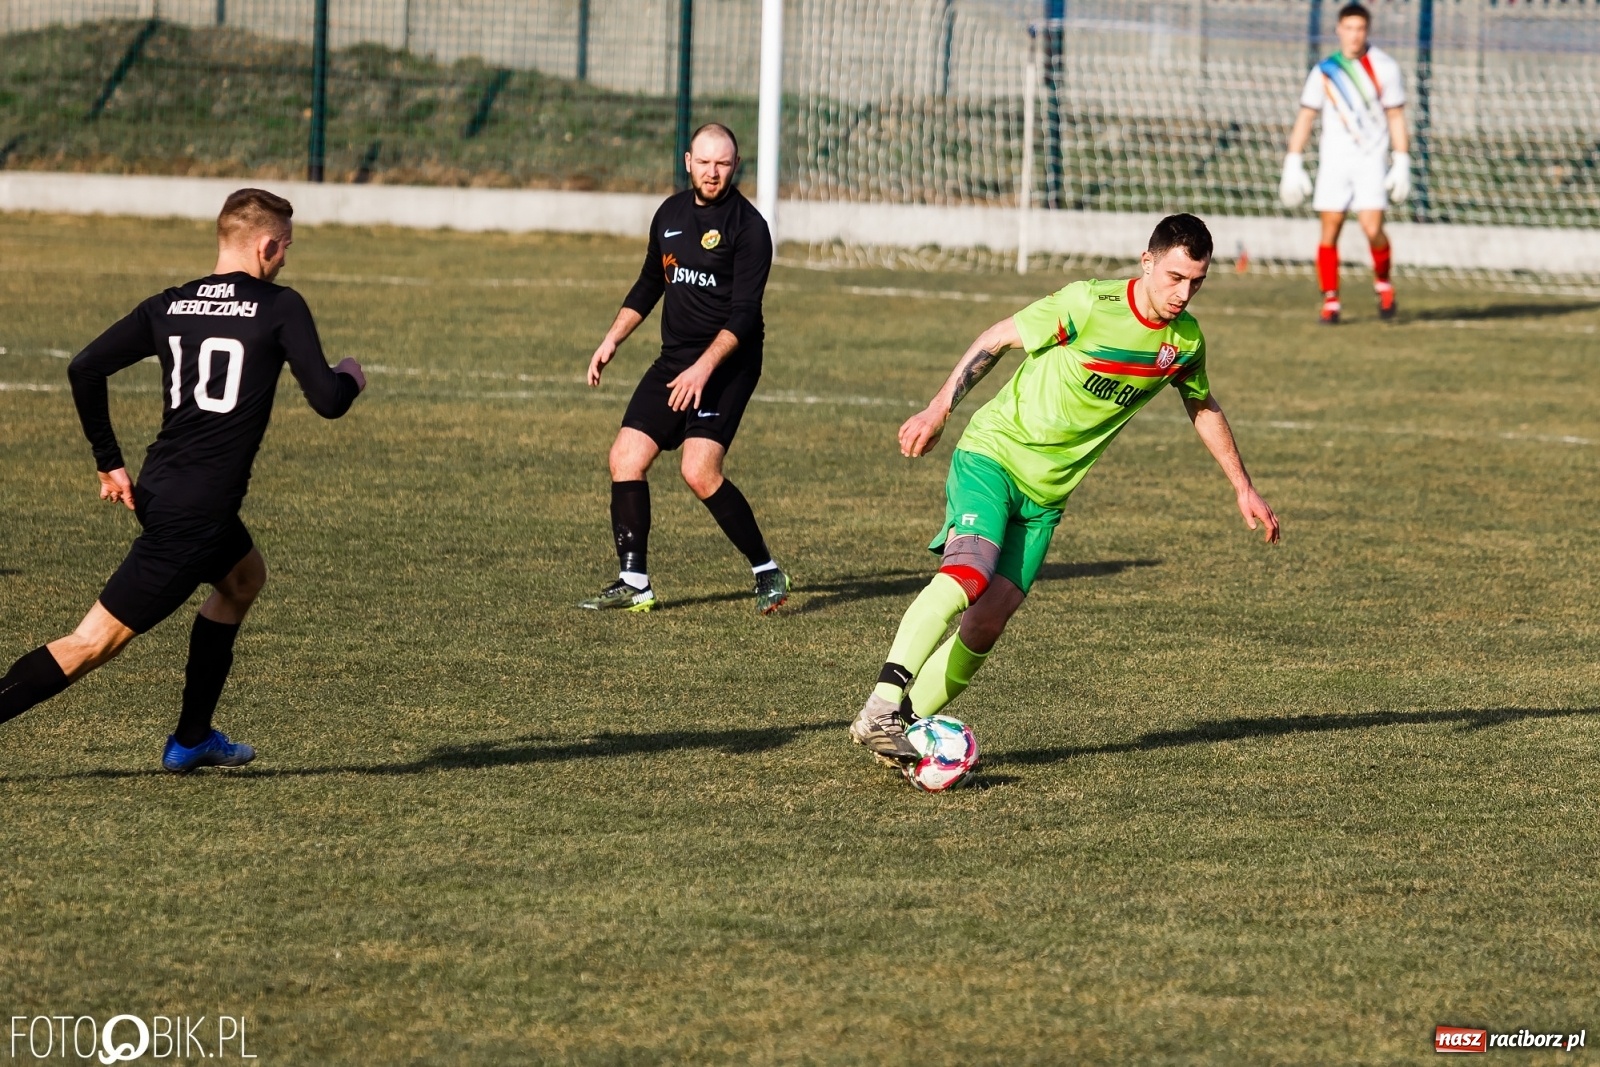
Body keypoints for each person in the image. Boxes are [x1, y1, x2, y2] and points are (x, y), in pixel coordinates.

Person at [849, 214, 1280, 768]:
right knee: (969, 574)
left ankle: (904, 732)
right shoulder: (1088, 304)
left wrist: (1242, 487)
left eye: (1196, 282)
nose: (1184, 292)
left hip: (1047, 496)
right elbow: (998, 338)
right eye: (1175, 277)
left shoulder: (1184, 342)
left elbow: (1201, 403)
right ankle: (882, 705)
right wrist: (939, 408)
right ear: (1147, 262)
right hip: (994, 455)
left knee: (988, 621)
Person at [0, 188, 366, 771]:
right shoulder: (280, 305)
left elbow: (84, 367)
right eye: (286, 248)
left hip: (163, 491)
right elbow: (327, 400)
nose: (286, 260)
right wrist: (351, 377)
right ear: (267, 244)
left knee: (243, 579)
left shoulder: (169, 305)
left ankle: (192, 738)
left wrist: (108, 459)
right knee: (91, 643)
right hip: (193, 516)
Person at [581, 122, 789, 614]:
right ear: (688, 162)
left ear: (734, 167)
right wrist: (613, 338)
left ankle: (766, 570)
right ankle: (635, 583)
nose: (712, 172)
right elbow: (651, 282)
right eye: (705, 162)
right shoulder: (670, 214)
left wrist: (703, 369)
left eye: (723, 163)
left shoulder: (749, 228)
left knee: (698, 471)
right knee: (625, 457)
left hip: (728, 363)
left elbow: (743, 316)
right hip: (674, 359)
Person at [1279, 1, 1410, 324]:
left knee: (1372, 228)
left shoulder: (1384, 67)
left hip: (1371, 161)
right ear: (1339, 30)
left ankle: (1383, 283)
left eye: (1360, 29)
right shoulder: (1325, 70)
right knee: (1331, 227)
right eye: (1348, 28)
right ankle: (1331, 300)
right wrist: (1293, 160)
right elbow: (1306, 116)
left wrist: (1402, 159)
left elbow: (1395, 115)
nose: (1354, 35)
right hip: (1334, 162)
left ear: (1368, 30)